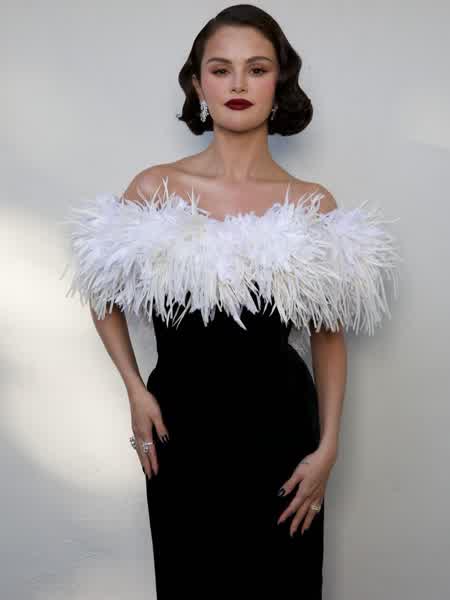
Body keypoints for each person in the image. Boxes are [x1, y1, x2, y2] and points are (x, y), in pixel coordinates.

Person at [61, 4, 401, 598]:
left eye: (257, 68)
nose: (238, 84)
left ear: (279, 83)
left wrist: (328, 447)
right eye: (221, 69)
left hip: (282, 430)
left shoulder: (311, 203)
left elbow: (328, 335)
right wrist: (134, 389)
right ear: (198, 85)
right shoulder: (156, 188)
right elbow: (100, 289)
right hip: (182, 429)